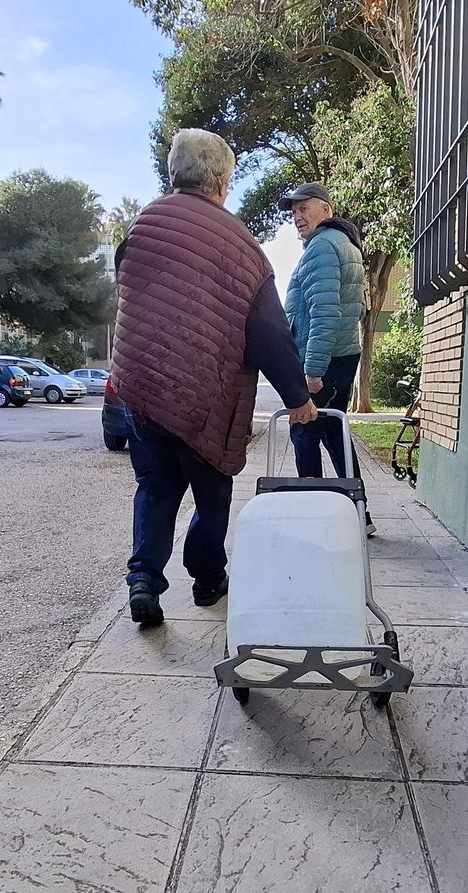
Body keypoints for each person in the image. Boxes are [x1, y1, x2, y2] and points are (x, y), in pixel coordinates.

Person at [112, 129, 317, 627]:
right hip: (205, 394)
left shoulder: (143, 224)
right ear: (222, 181)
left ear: (174, 175)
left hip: (140, 386)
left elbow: (127, 282)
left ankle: (144, 578)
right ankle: (206, 580)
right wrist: (297, 397)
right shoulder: (241, 247)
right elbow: (269, 330)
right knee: (212, 492)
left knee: (156, 488)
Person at [278, 183, 374, 534]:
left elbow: (325, 312)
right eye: (294, 212)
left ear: (326, 211)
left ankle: (314, 516)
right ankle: (358, 515)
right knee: (335, 435)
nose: (297, 217)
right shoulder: (343, 244)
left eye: (304, 209)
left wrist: (312, 370)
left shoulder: (321, 247)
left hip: (324, 360)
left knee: (304, 432)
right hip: (341, 356)